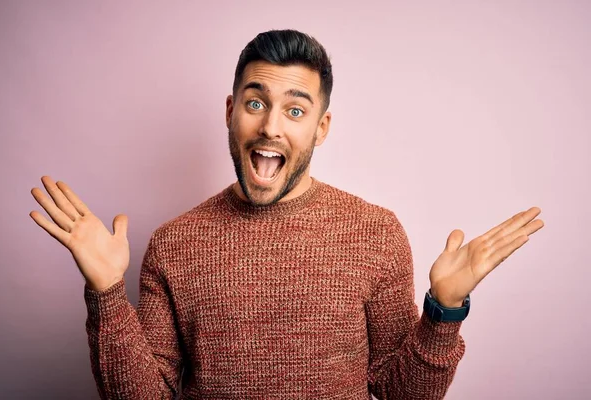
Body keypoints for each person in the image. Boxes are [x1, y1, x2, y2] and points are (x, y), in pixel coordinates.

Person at [29, 29, 544, 399]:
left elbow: (399, 394)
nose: (271, 126)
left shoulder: (376, 232)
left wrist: (443, 311)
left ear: (320, 128)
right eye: (256, 103)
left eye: (295, 110)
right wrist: (106, 296)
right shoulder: (174, 244)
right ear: (230, 111)